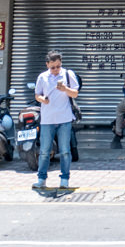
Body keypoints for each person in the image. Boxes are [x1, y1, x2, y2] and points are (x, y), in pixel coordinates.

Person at [32, 50, 79, 190]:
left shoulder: (67, 74)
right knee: (45, 151)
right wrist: (43, 100)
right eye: (53, 67)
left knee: (65, 150)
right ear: (47, 65)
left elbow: (75, 93)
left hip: (64, 118)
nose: (56, 70)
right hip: (47, 119)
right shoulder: (42, 77)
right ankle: (41, 179)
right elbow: (37, 95)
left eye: (58, 66)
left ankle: (64, 179)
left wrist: (65, 89)